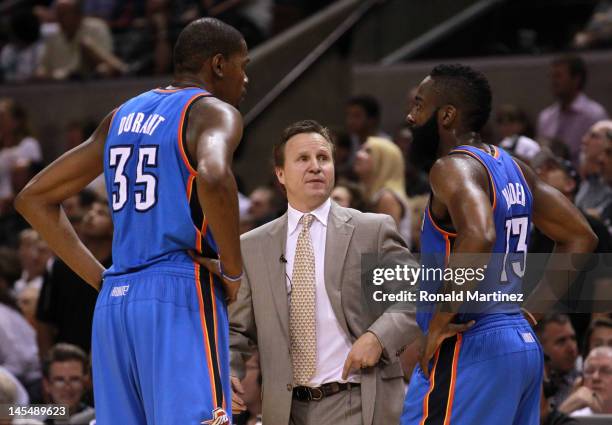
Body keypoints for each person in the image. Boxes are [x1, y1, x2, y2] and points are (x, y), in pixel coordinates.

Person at [16, 17, 249, 425]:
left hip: (115, 302)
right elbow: (214, 176)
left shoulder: (121, 115)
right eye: (242, 65)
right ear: (217, 64)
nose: (245, 79)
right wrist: (233, 272)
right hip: (180, 290)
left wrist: (102, 278)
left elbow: (33, 197)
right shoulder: (212, 112)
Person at [400, 64, 597, 425]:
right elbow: (580, 235)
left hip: (469, 342)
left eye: (419, 104)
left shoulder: (451, 167)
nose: (410, 116)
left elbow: (480, 235)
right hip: (520, 342)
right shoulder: (515, 168)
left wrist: (442, 319)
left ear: (446, 115)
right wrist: (532, 311)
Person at [223, 120, 422, 425]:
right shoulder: (252, 246)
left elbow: (414, 294)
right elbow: (237, 330)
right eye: (303, 159)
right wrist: (230, 372)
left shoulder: (371, 230)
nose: (315, 167)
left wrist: (378, 337)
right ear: (280, 174)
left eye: (323, 158)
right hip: (286, 409)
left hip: (358, 400)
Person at [36, 199, 113, 355]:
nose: (90, 216)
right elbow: (44, 321)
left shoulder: (121, 268)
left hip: (108, 354)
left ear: (114, 227)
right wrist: (47, 362)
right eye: (89, 211)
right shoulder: (58, 266)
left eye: (101, 213)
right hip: (67, 358)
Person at [536, 55, 608, 165]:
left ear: (576, 79)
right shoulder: (546, 116)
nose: (553, 81)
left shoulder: (595, 115)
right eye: (552, 76)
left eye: (558, 76)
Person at [354, 136, 412, 246]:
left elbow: (389, 246)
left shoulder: (387, 198)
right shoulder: (376, 195)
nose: (358, 155)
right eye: (361, 149)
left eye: (368, 152)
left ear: (385, 162)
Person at [41, 343, 95, 424]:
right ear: (47, 385)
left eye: (74, 379)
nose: (67, 388)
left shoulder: (98, 418)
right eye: (60, 380)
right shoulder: (30, 417)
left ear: (85, 382)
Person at [535, 314, 581, 408]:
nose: (571, 348)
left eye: (573, 338)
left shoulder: (586, 381)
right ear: (540, 348)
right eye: (561, 341)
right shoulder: (531, 387)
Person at [558, 346, 612, 416]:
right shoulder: (571, 414)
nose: (595, 377)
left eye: (605, 371)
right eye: (589, 371)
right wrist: (564, 410)